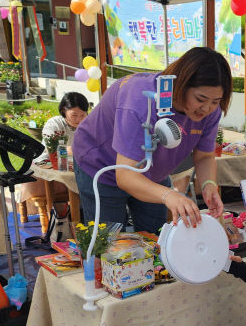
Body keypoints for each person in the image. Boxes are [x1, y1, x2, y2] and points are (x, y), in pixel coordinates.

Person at [73, 47, 231, 233]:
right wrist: (169, 195)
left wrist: (208, 185)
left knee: (157, 238)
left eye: (215, 101)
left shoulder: (211, 110)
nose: (207, 109)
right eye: (200, 99)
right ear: (181, 84)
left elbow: (204, 156)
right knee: (109, 243)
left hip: (152, 173)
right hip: (101, 166)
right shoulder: (140, 101)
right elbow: (125, 176)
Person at [18, 92, 89, 213]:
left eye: (83, 115)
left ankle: (83, 212)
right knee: (71, 176)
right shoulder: (54, 123)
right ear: (63, 110)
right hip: (47, 162)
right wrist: (73, 150)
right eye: (74, 115)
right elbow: (51, 149)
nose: (79, 119)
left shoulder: (88, 125)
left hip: (73, 162)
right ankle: (64, 214)